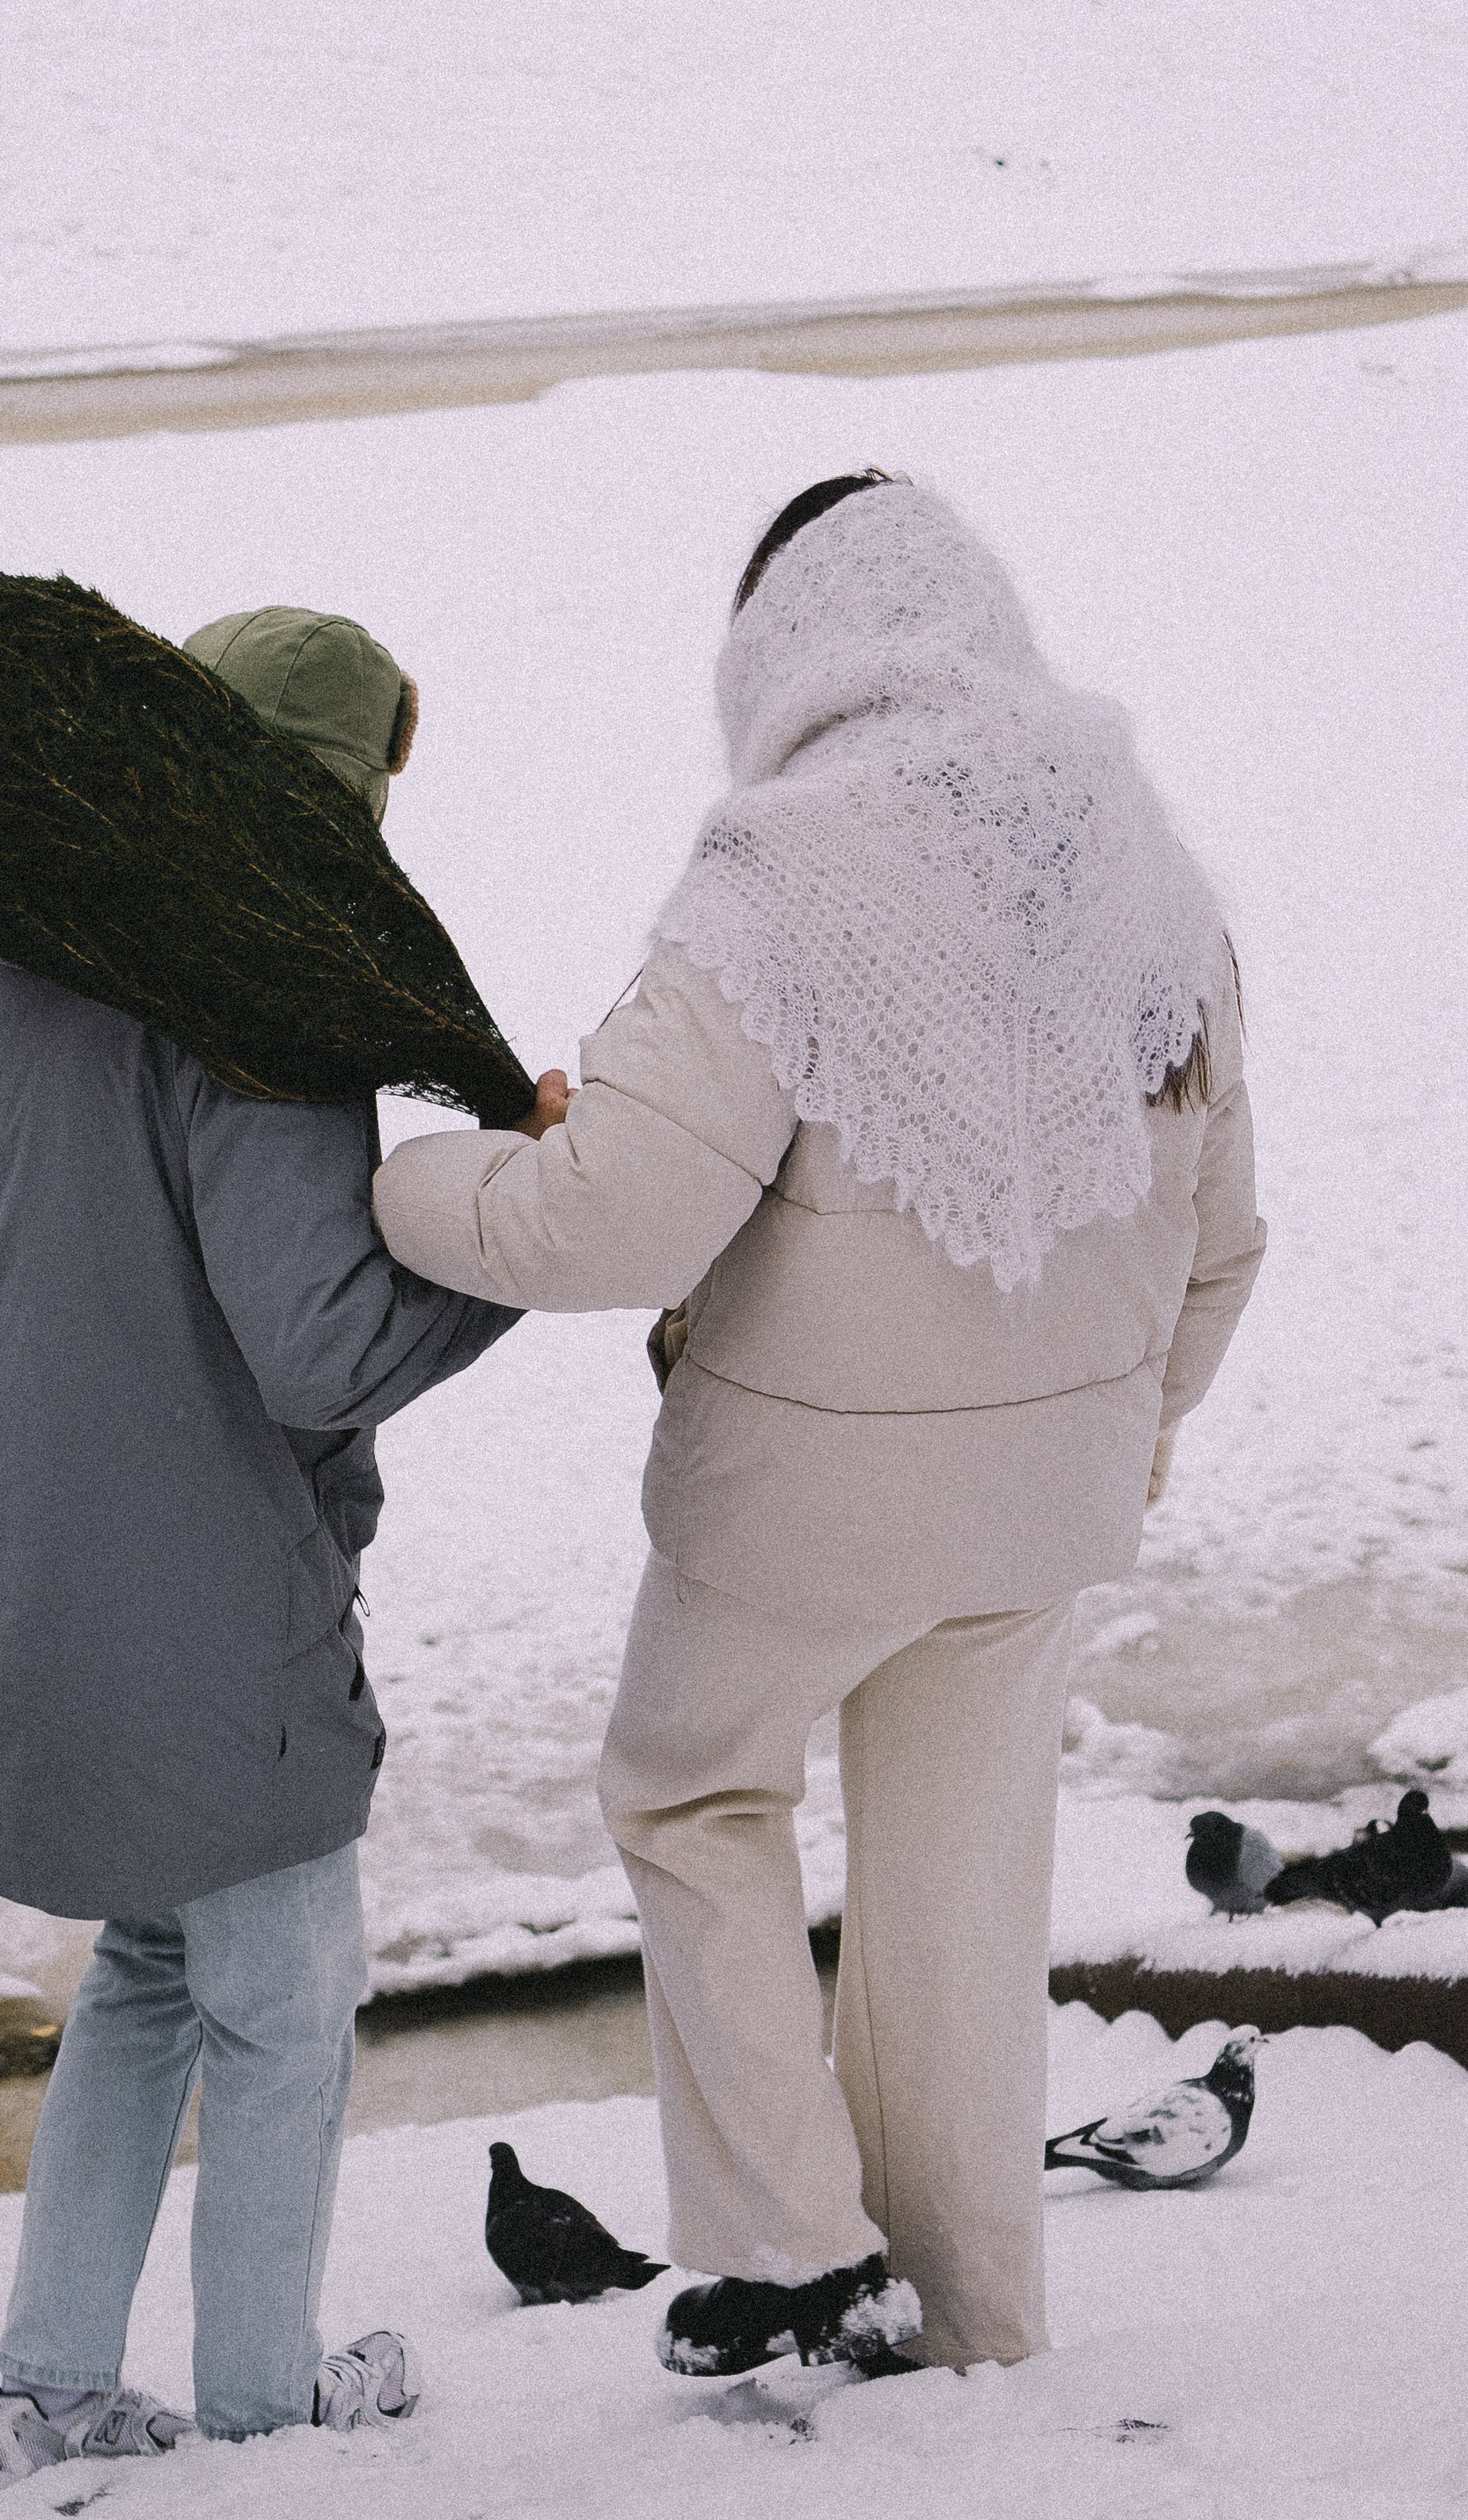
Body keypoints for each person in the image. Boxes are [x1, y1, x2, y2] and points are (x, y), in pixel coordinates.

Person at [373, 475, 1266, 2385]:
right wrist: (1128, 1435)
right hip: (1039, 1515)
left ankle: (796, 2243)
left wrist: (396, 1179)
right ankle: (972, 2321)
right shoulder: (1146, 877)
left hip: (799, 1508)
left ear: (778, 654)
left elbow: (609, 1225)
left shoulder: (776, 883)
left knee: (688, 1794)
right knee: (959, 1906)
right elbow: (1223, 1241)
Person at [0, 605, 520, 2502]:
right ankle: (265, 2419)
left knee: (149, 1961)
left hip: (34, 1597)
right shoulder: (254, 998)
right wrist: (515, 1236)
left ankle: (45, 2391)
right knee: (283, 2013)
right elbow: (325, 1346)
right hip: (221, 1629)